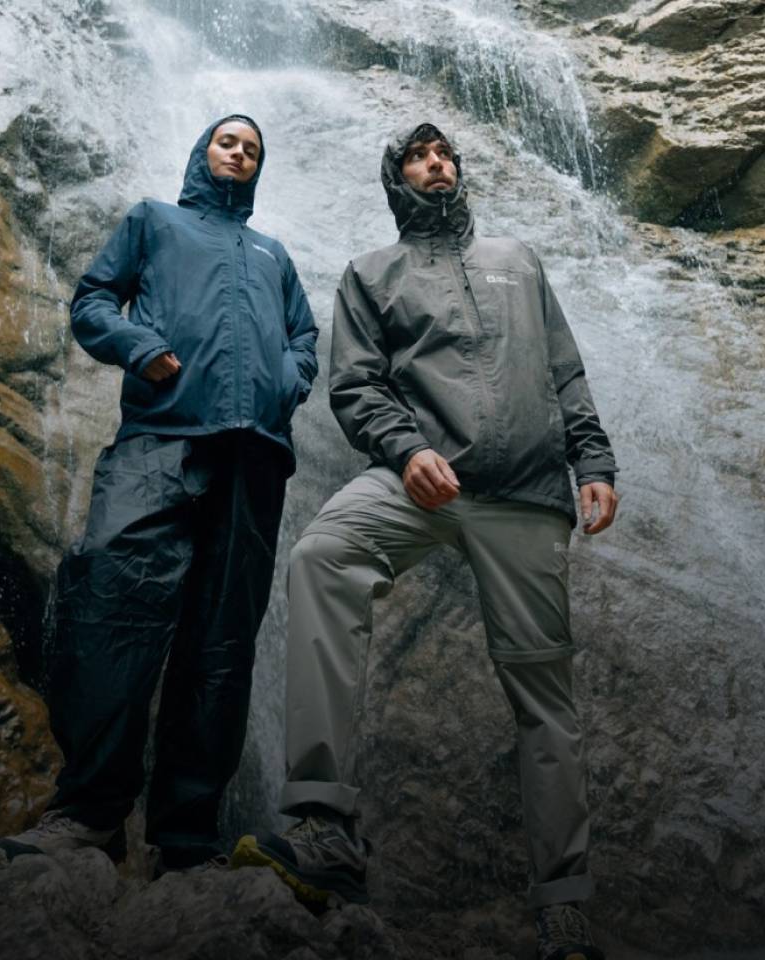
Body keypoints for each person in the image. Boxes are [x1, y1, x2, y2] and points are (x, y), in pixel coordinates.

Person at [231, 122, 616, 960]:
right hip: (422, 483)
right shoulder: (373, 274)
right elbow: (356, 384)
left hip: (523, 496)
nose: (437, 164)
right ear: (397, 176)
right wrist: (407, 452)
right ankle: (326, 828)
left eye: (445, 155)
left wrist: (596, 459)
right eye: (419, 156)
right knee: (322, 555)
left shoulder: (520, 261)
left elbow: (566, 369)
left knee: (545, 696)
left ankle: (564, 908)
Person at [0, 115, 318, 873]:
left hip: (256, 458)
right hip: (160, 442)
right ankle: (88, 814)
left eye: (253, 149)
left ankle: (186, 837)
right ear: (202, 152)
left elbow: (304, 340)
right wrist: (143, 349)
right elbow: (93, 303)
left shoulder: (274, 255)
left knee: (222, 646)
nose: (239, 153)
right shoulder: (153, 220)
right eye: (226, 142)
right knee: (111, 605)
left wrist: (285, 382)